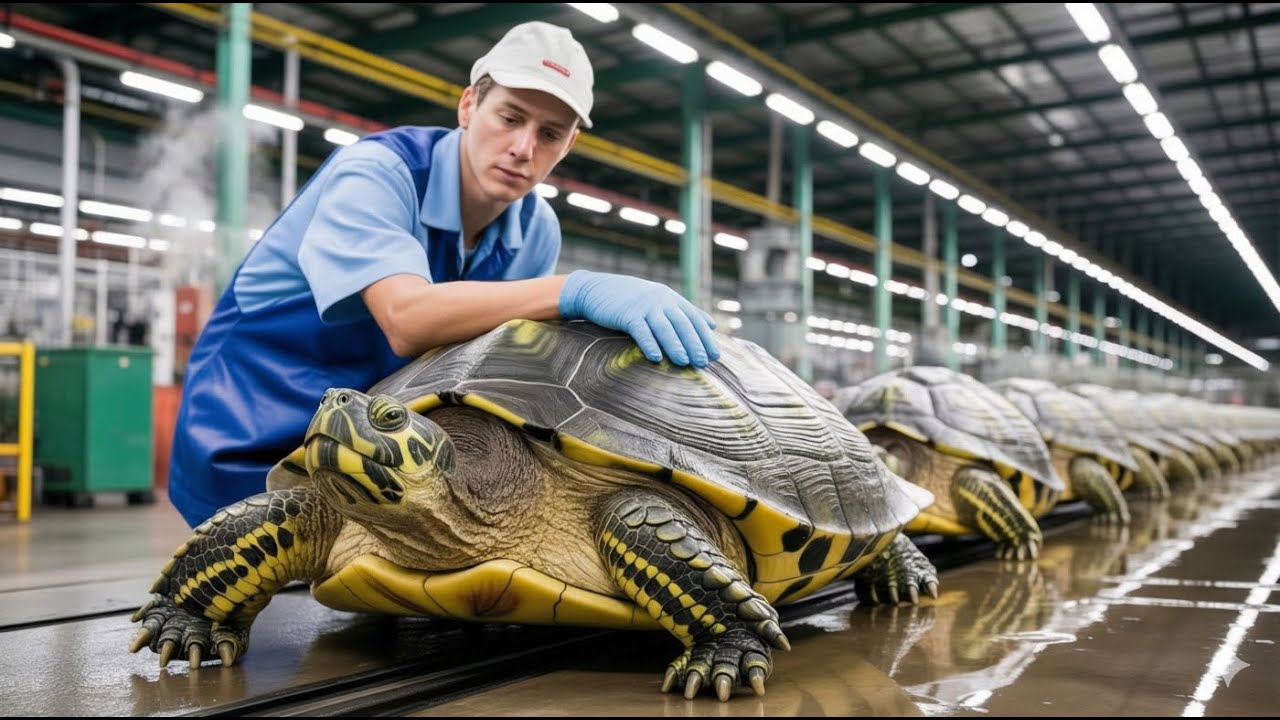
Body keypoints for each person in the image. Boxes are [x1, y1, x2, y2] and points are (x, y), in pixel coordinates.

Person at [167, 21, 720, 528]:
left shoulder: (536, 231)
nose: (523, 148)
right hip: (251, 435)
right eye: (509, 117)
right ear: (467, 106)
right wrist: (574, 290)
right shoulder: (378, 173)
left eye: (550, 134)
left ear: (569, 144)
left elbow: (491, 373)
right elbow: (407, 321)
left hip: (381, 458)